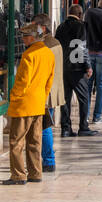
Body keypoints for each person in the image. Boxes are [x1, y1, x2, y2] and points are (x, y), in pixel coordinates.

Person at [4, 23, 55, 185]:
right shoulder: (48, 53)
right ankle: (35, 172)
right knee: (34, 141)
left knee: (16, 141)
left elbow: (22, 81)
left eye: (25, 37)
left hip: (24, 104)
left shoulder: (29, 55)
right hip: (39, 103)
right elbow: (49, 81)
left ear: (32, 37)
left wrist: (13, 97)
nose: (23, 39)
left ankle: (18, 175)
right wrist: (43, 97)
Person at [55, 3, 94, 136]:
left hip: (63, 68)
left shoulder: (60, 27)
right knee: (84, 98)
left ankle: (65, 128)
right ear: (79, 15)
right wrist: (88, 66)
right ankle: (83, 127)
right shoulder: (81, 26)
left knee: (65, 99)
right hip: (77, 68)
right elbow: (82, 47)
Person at [35, 15, 64, 173]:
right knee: (45, 126)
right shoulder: (56, 42)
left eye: (35, 26)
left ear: (42, 27)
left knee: (44, 127)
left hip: (45, 92)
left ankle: (48, 160)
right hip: (53, 91)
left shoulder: (44, 45)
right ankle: (47, 159)